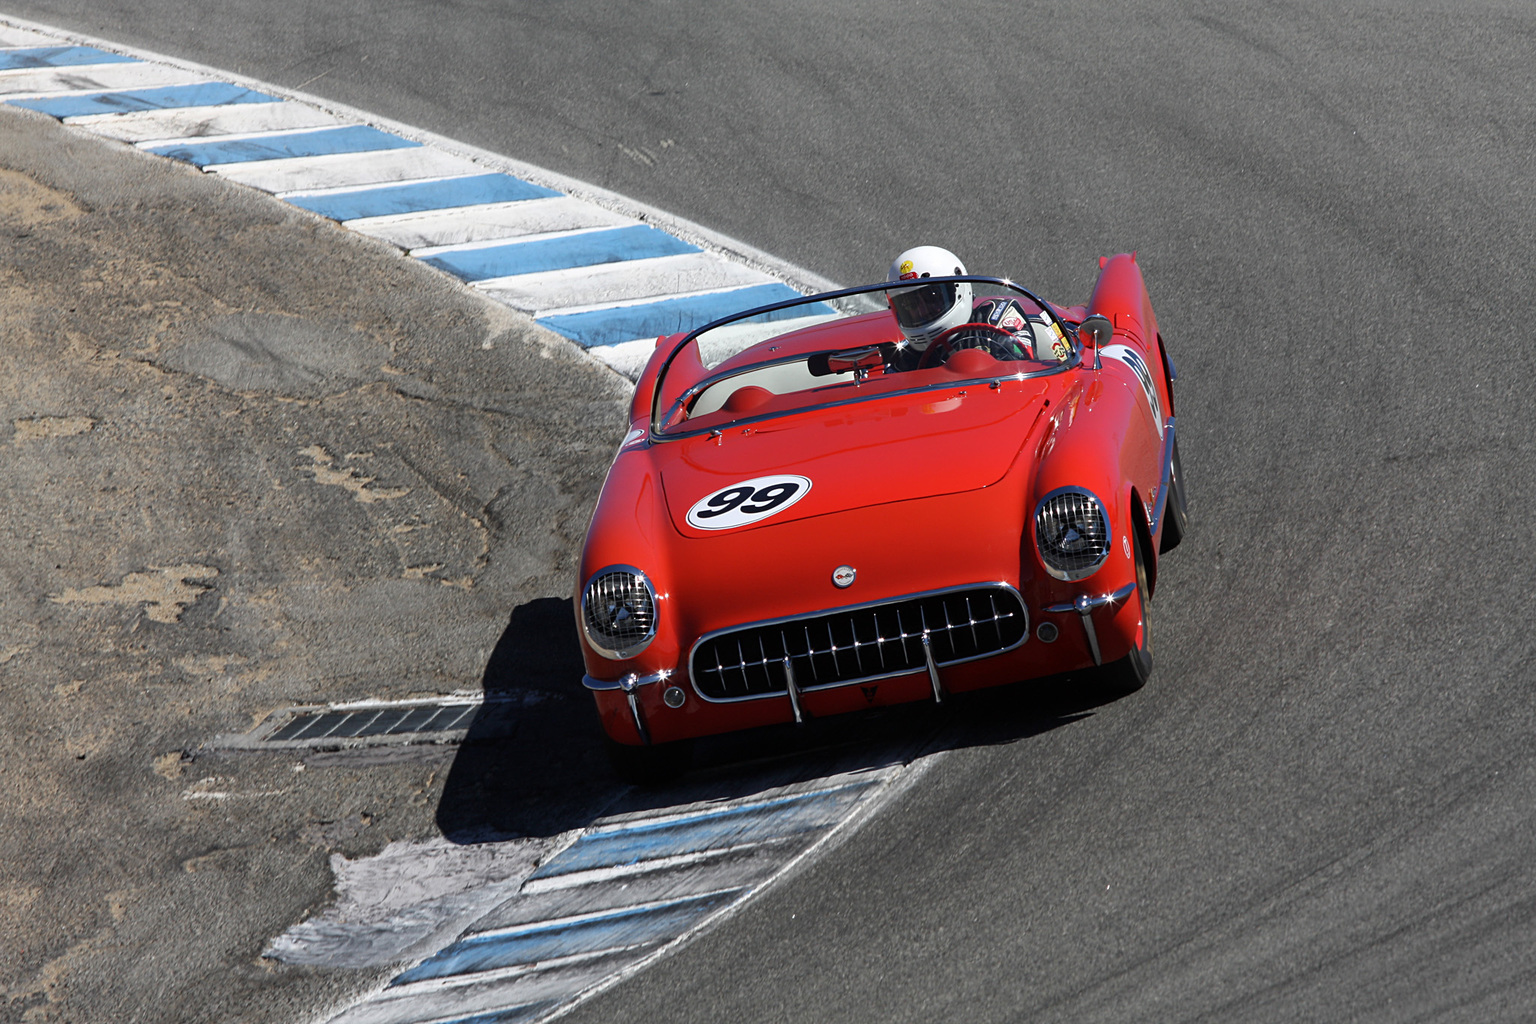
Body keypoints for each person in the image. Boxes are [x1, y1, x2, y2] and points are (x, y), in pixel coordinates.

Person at [885, 245, 1070, 370]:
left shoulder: (997, 319)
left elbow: (1021, 377)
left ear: (958, 287)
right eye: (910, 305)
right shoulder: (906, 358)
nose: (922, 311)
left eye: (931, 298)